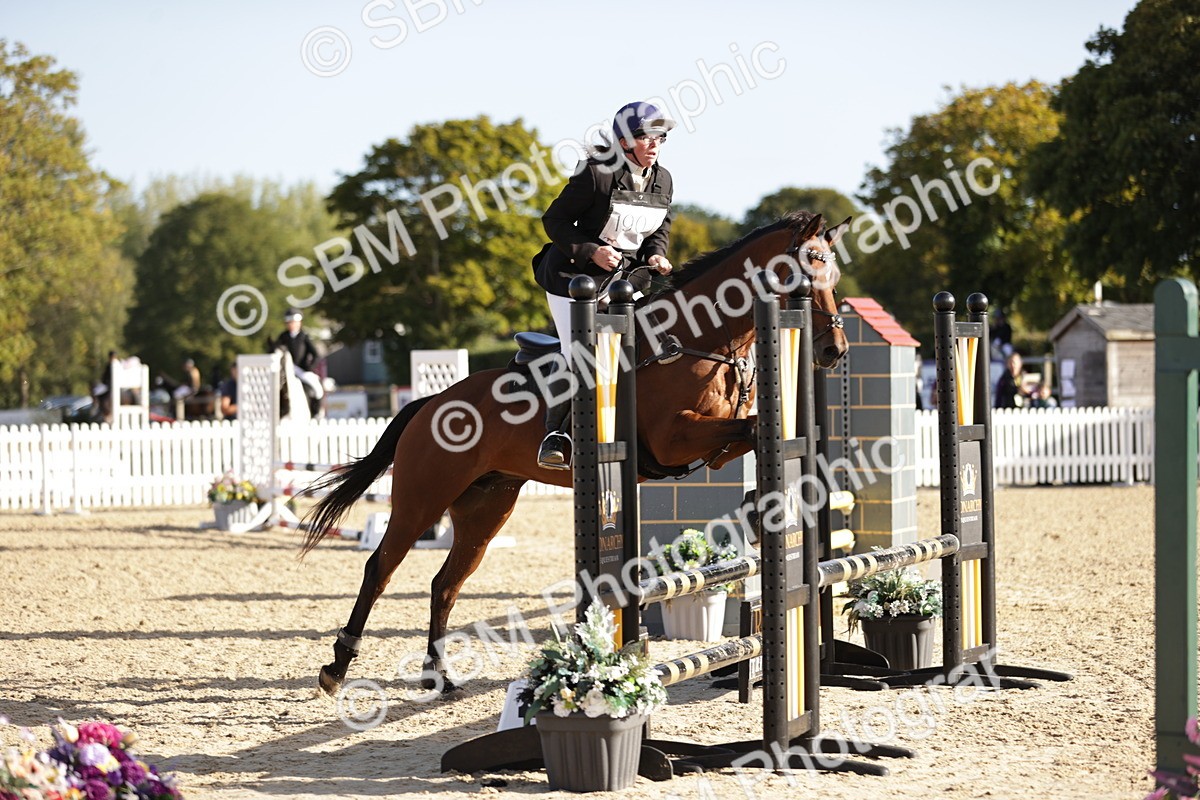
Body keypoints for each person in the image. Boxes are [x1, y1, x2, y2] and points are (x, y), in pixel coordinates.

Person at [530, 101, 677, 469]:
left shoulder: (663, 179)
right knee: (579, 353)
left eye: (660, 137)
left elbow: (659, 227)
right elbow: (554, 220)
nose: (655, 144)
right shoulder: (596, 174)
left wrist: (656, 255)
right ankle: (555, 435)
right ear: (625, 142)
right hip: (573, 279)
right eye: (647, 137)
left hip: (626, 280)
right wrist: (591, 251)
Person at [273, 308, 324, 406]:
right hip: (286, 369)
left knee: (318, 389)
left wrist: (309, 367)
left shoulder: (304, 336)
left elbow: (316, 355)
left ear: (299, 323)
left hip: (302, 370)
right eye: (289, 322)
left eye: (293, 322)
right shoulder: (283, 337)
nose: (291, 325)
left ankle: (316, 410)